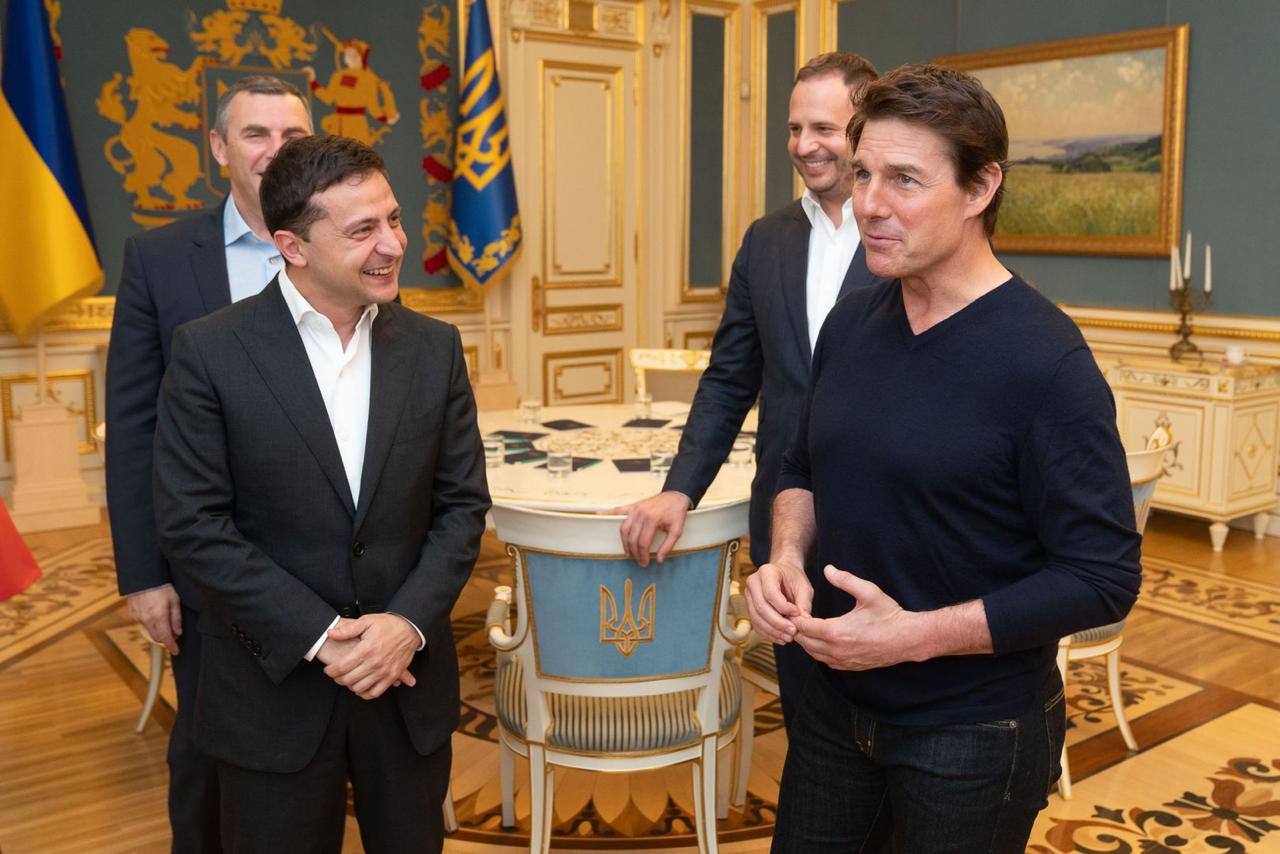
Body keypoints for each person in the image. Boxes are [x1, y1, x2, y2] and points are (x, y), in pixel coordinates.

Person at [745, 64, 1143, 852]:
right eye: (863, 174)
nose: (869, 203)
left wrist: (914, 635)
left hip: (974, 736)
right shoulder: (850, 325)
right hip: (832, 709)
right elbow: (800, 469)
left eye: (903, 179)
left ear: (980, 187)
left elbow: (1102, 577)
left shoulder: (1046, 361)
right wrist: (786, 556)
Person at [151, 134, 489, 851]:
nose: (392, 244)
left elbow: (461, 507)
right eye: (362, 230)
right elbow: (193, 524)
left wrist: (407, 625)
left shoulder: (435, 348)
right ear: (292, 246)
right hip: (271, 693)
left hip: (405, 686)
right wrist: (321, 637)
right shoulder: (209, 351)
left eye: (393, 219)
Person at [618, 52, 887, 728]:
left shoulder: (902, 234)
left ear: (865, 129)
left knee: (887, 713)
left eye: (823, 128)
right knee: (805, 714)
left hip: (886, 521)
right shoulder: (766, 241)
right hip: (781, 525)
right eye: (794, 129)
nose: (804, 145)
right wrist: (680, 489)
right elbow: (728, 379)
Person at [105, 74, 312, 852]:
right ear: (219, 148)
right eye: (257, 134)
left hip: (325, 558)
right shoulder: (159, 259)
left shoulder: (344, 245)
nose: (276, 150)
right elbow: (134, 427)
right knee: (204, 755)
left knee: (311, 751)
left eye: (293, 136)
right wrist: (142, 574)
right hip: (205, 564)